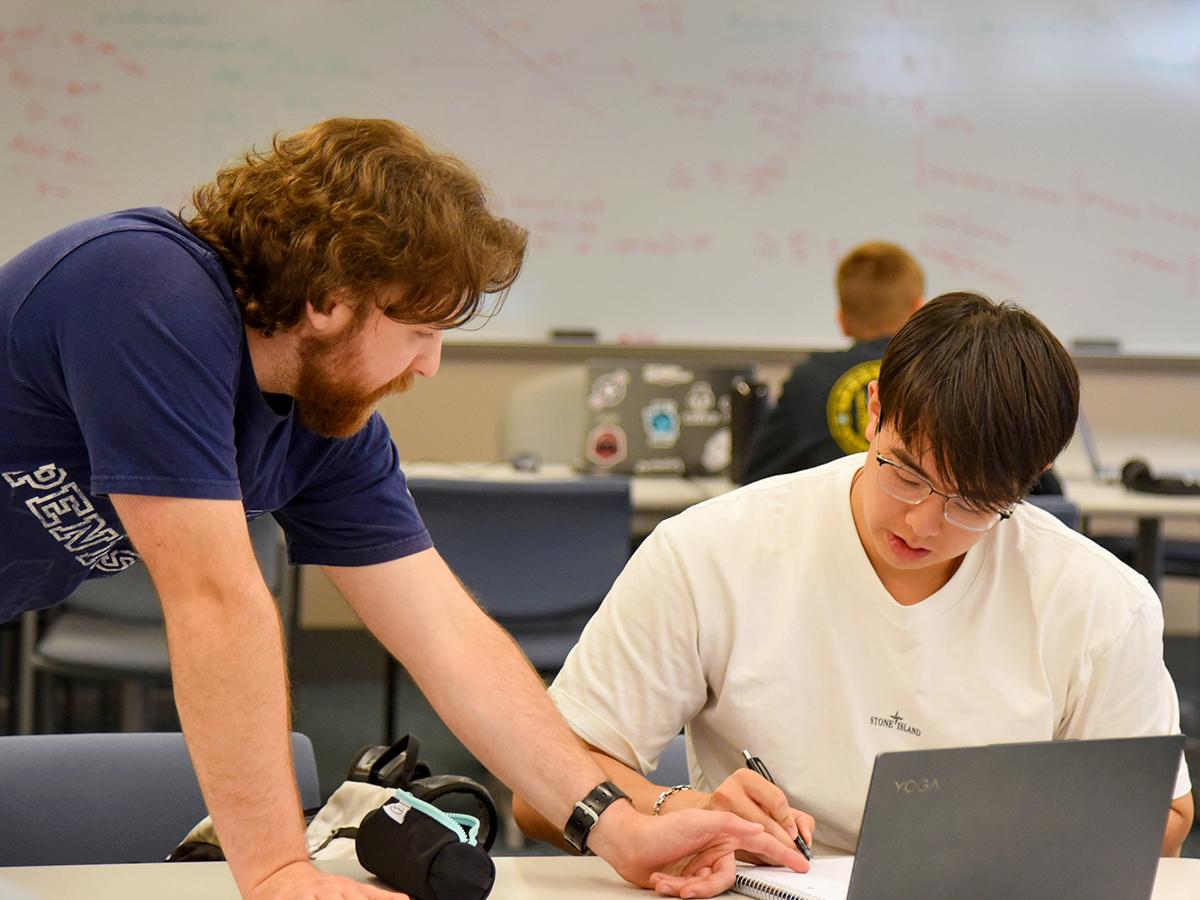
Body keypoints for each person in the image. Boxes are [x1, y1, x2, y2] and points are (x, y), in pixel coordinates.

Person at [0, 119, 806, 899]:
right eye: (419, 329)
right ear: (326, 296)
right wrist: (280, 873)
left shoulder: (327, 426)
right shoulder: (145, 289)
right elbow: (215, 601)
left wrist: (616, 825)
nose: (431, 365)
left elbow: (447, 637)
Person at [514, 293, 1194, 866]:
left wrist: (1003, 840)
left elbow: (1164, 816)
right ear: (874, 409)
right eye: (905, 471)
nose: (924, 522)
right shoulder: (714, 549)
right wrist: (671, 806)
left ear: (1030, 480)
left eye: (974, 502)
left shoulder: (1098, 599)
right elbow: (540, 789)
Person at [741, 241, 924, 484]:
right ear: (919, 310)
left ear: (842, 320)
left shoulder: (809, 381)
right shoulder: (938, 375)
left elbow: (756, 481)